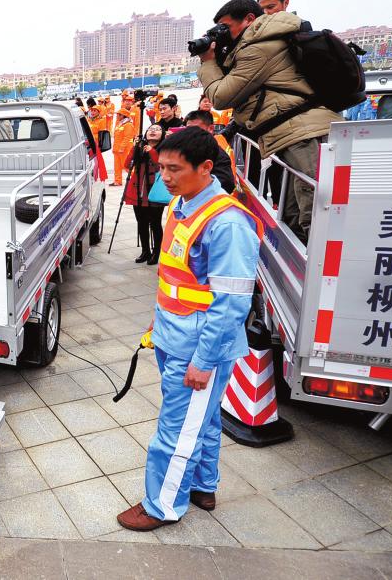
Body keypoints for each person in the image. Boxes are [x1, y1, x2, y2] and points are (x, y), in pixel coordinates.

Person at [117, 128, 262, 532]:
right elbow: (178, 280)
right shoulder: (184, 206)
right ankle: (203, 485)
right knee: (205, 419)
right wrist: (157, 319)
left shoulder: (227, 224)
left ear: (205, 168)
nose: (164, 176)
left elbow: (231, 304)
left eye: (174, 169)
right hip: (175, 334)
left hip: (199, 348)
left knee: (175, 431)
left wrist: (203, 361)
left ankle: (161, 506)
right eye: (162, 167)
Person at [197, 0, 341, 242]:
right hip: (291, 133)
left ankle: (322, 276)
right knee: (292, 215)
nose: (223, 35)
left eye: (226, 28)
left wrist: (207, 62)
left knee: (313, 216)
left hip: (302, 133)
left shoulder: (259, 47)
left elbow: (221, 96)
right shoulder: (259, 44)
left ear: (249, 20)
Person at [124, 124, 165, 264]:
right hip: (138, 191)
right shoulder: (140, 147)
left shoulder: (165, 149)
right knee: (141, 222)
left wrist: (152, 151)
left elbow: (161, 166)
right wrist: (135, 147)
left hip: (155, 191)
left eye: (157, 129)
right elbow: (126, 164)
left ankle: (156, 252)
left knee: (155, 223)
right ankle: (145, 251)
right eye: (150, 129)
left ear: (163, 134)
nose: (153, 131)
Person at [184, 111, 237, 194]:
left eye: (195, 129)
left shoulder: (219, 155)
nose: (190, 133)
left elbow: (227, 184)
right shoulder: (185, 148)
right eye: (188, 129)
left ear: (211, 129)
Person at [112, 105, 136, 187]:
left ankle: (136, 179)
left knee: (126, 166)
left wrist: (122, 148)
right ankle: (117, 181)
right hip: (116, 150)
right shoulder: (120, 124)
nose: (117, 116)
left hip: (124, 150)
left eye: (119, 114)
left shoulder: (128, 125)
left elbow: (127, 137)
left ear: (123, 116)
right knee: (117, 167)